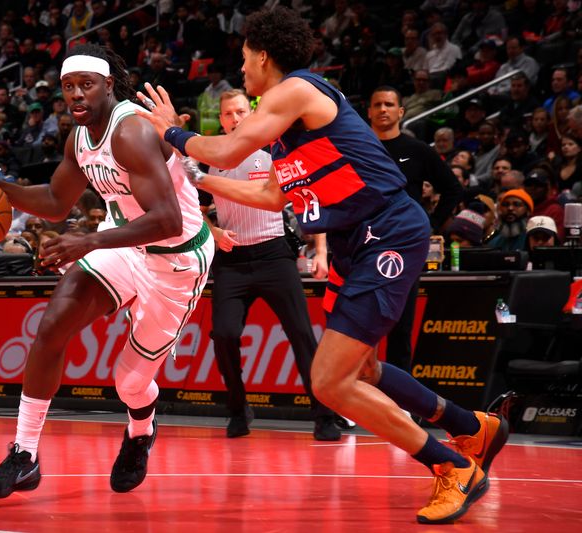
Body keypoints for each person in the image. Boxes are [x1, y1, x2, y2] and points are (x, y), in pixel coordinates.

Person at [137, 7, 507, 524]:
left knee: (329, 381)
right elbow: (269, 195)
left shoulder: (292, 90)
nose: (241, 70)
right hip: (356, 238)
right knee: (362, 369)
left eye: (244, 60)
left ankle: (452, 467)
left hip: (389, 230)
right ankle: (472, 426)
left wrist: (172, 134)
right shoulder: (287, 125)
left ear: (264, 56)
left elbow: (229, 148)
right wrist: (195, 175)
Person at [0, 44, 214, 499]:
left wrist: (88, 240)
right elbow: (56, 202)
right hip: (122, 242)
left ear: (107, 86)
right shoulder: (78, 138)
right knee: (52, 326)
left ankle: (141, 431)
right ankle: (24, 454)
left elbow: (167, 220)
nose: (77, 95)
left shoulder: (132, 133)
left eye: (86, 85)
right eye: (68, 87)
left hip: (176, 260)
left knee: (131, 381)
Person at [201, 88, 340, 441]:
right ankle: (238, 409)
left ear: (250, 114)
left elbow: (311, 201)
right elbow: (193, 208)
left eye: (239, 112)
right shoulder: (213, 156)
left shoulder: (274, 152)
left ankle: (324, 416)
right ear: (221, 120)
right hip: (232, 261)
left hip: (274, 254)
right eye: (227, 114)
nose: (234, 119)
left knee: (301, 334)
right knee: (224, 334)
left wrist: (320, 252)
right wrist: (214, 231)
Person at [367, 86, 462, 374]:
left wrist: (429, 225)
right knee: (360, 325)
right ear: (368, 112)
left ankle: (401, 402)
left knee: (400, 325)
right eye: (377, 104)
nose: (383, 109)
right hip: (364, 245)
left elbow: (453, 189)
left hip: (404, 247)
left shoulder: (418, 150)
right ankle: (354, 397)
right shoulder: (357, 148)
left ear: (401, 112)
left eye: (389, 104)